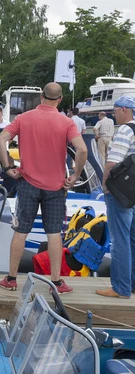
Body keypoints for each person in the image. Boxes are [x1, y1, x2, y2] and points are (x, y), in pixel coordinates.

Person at [0, 82, 87, 294]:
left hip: (27, 183)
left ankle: (11, 278)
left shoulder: (23, 118)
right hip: (56, 187)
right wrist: (74, 175)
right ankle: (55, 282)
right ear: (61, 99)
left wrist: (9, 166)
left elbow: (1, 140)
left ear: (41, 97)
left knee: (20, 232)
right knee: (54, 234)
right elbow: (82, 150)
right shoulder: (66, 122)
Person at [96, 96, 135, 299]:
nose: (113, 114)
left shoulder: (125, 131)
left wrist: (104, 185)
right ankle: (132, 284)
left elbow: (112, 163)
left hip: (120, 193)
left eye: (115, 110)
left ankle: (120, 288)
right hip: (133, 192)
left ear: (124, 110)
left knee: (120, 241)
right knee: (133, 239)